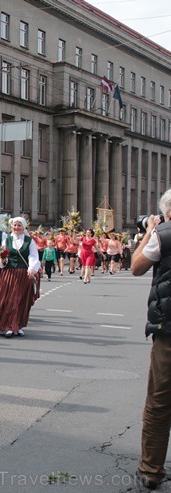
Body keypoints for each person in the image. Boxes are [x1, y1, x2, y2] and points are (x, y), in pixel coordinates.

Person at [131, 189, 171, 489]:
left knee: (159, 400)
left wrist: (151, 231)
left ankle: (151, 469)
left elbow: (136, 267)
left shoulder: (164, 233)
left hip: (168, 328)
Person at [0, 217, 40, 338]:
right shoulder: (6, 239)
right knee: (7, 300)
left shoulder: (29, 241)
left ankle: (18, 325)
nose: (16, 227)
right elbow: (2, 257)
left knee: (20, 300)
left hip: (23, 273)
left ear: (23, 227)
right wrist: (2, 259)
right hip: (9, 273)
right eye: (14, 225)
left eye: (19, 225)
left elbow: (33, 256)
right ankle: (8, 325)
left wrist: (32, 269)